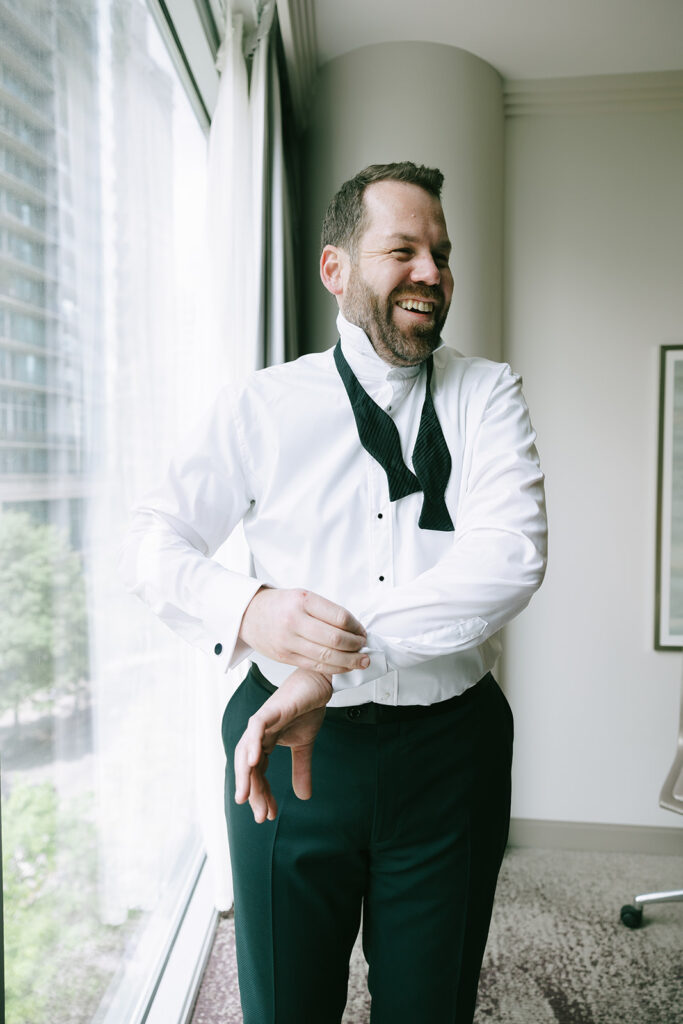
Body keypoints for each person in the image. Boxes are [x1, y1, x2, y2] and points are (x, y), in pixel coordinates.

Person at [122, 161, 547, 1024]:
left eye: (440, 252)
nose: (431, 272)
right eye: (402, 250)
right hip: (285, 755)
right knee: (285, 1005)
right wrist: (251, 609)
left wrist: (328, 665)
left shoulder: (487, 393)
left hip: (449, 757)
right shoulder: (260, 405)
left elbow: (510, 557)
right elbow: (150, 543)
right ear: (337, 269)